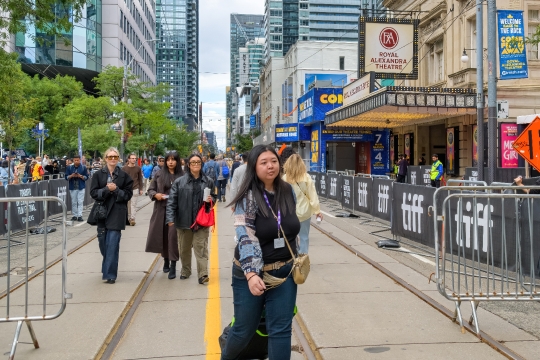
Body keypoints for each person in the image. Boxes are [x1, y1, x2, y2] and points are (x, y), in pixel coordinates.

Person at [221, 145, 300, 360]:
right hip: (251, 274)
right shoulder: (247, 196)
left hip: (284, 272)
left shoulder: (288, 190)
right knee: (244, 330)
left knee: (281, 330)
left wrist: (296, 256)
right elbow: (245, 235)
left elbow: (292, 228)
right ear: (254, 167)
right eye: (263, 162)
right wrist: (251, 273)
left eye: (273, 161)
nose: (270, 166)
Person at [166, 154, 217, 284]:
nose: (195, 164)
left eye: (198, 162)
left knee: (201, 248)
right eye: (193, 162)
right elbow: (172, 201)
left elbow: (214, 197)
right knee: (184, 248)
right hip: (183, 221)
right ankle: (185, 270)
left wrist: (212, 200)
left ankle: (203, 273)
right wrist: (170, 218)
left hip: (201, 222)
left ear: (201, 164)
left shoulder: (208, 181)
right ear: (188, 164)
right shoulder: (179, 182)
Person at [88, 147, 133, 284]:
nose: (113, 159)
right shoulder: (98, 175)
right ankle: (108, 266)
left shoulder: (124, 176)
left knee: (112, 244)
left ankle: (110, 275)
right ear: (105, 158)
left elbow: (127, 195)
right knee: (103, 244)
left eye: (115, 157)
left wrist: (117, 190)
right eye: (110, 157)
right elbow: (94, 193)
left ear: (118, 158)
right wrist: (107, 189)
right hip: (101, 212)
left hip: (117, 213)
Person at [146, 151, 184, 279]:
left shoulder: (183, 175)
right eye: (168, 160)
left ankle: (173, 264)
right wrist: (155, 195)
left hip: (176, 211)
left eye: (173, 159)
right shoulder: (159, 174)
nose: (171, 162)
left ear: (178, 161)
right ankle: (166, 260)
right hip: (161, 209)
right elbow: (150, 189)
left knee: (172, 237)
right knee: (163, 236)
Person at [282, 154, 321, 254]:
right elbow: (312, 195)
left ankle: (291, 257)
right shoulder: (306, 177)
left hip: (289, 213)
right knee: (304, 237)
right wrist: (317, 211)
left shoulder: (284, 178)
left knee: (289, 236)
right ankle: (303, 259)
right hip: (304, 213)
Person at [65, 154, 90, 221]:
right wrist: (71, 176)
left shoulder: (83, 167)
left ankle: (80, 215)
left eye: (78, 160)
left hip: (81, 186)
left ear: (80, 160)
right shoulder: (69, 167)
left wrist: (81, 176)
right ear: (73, 160)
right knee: (74, 202)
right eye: (75, 160)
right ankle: (74, 215)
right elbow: (66, 177)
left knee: (80, 201)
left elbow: (87, 177)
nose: (76, 161)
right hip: (72, 186)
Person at [123, 153, 144, 226]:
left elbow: (140, 179)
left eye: (135, 158)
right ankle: (129, 218)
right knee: (128, 204)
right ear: (129, 159)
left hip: (135, 188)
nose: (134, 159)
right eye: (132, 158)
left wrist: (141, 189)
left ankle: (132, 218)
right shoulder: (124, 168)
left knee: (133, 204)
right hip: (127, 189)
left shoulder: (138, 168)